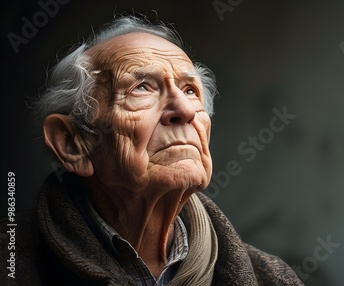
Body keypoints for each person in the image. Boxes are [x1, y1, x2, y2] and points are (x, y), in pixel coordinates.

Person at [0, 15, 303, 285]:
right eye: (141, 87)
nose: (184, 109)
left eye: (190, 90)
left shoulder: (271, 277)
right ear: (73, 143)